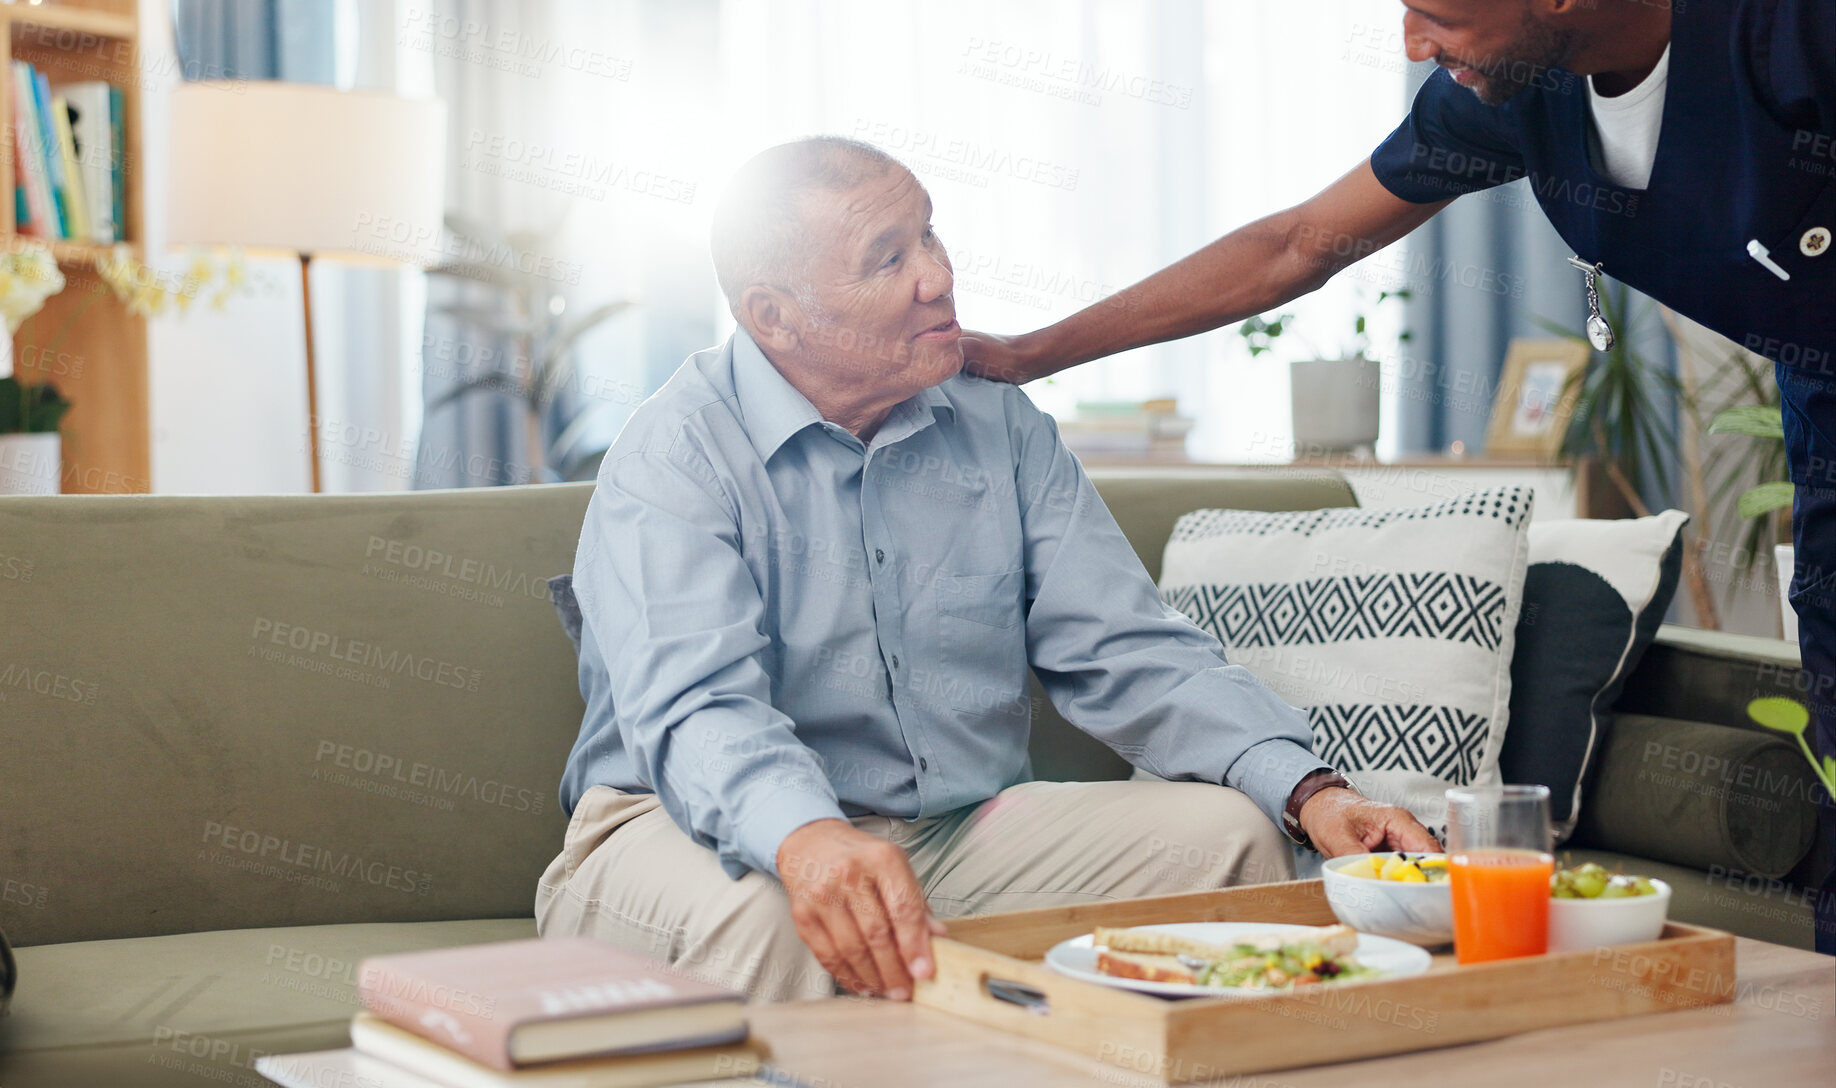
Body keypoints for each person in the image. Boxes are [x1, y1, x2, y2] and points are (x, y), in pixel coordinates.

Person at [963, 0, 1836, 954]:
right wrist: (1028, 352)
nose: (1415, 43)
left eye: (1439, 13)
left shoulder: (1790, 37)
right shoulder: (1515, 94)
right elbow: (1297, 245)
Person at [536, 138, 1437, 1002]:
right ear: (776, 316)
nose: (938, 275)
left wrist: (1310, 790)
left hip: (956, 832)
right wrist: (806, 837)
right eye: (888, 258)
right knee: (784, 918)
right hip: (676, 830)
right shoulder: (675, 455)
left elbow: (1124, 646)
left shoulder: (996, 423)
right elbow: (697, 708)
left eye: (928, 232)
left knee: (1232, 837)